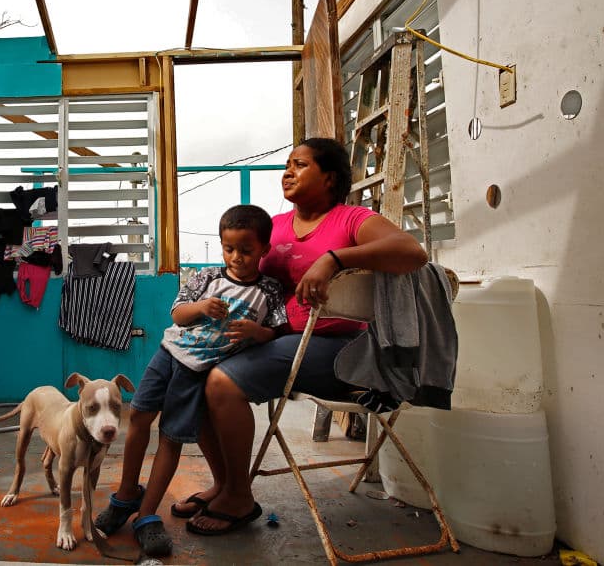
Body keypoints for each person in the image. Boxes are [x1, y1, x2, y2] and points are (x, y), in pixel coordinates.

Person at [181, 137, 429, 536]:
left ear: (329, 177)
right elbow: (236, 273)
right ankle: (223, 484)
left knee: (221, 382)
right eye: (287, 164)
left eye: (299, 164)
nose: (287, 172)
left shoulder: (351, 220)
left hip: (338, 349)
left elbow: (412, 252)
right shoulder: (273, 227)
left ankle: (240, 497)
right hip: (274, 341)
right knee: (195, 370)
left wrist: (335, 259)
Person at [93, 204, 288, 556]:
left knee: (171, 438)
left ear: (264, 249)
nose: (236, 257)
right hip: (168, 354)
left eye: (246, 250)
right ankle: (125, 495)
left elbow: (277, 332)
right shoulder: (207, 277)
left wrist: (257, 332)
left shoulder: (270, 291)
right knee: (138, 417)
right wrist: (201, 308)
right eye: (229, 248)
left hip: (197, 372)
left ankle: (147, 515)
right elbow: (178, 314)